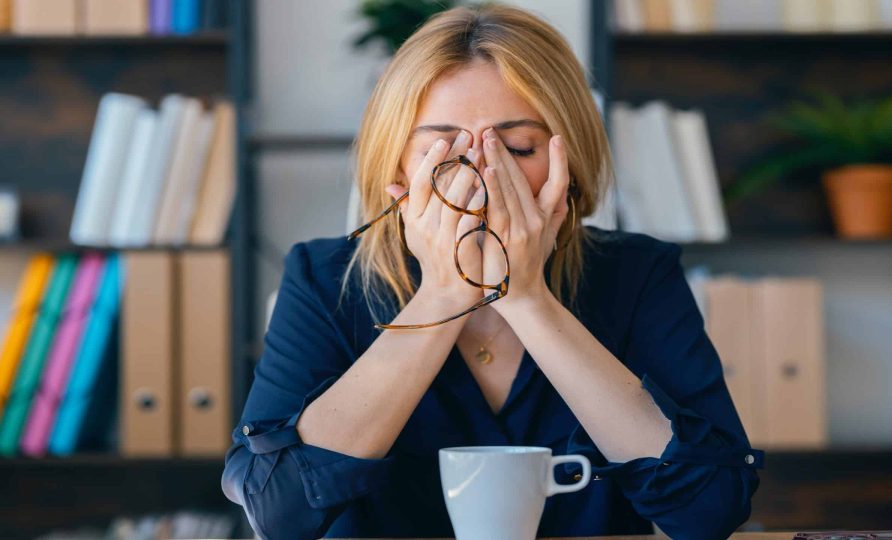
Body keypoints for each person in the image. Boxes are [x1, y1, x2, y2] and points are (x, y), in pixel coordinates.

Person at [221, 4, 763, 539]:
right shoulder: (323, 277)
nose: (483, 174)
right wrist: (441, 293)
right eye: (443, 146)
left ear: (567, 163)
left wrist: (525, 296)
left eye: (519, 146)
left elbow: (707, 512)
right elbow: (279, 513)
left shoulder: (638, 273)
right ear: (397, 166)